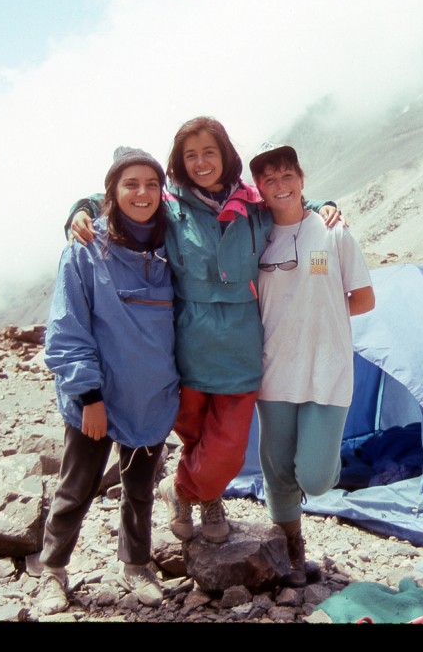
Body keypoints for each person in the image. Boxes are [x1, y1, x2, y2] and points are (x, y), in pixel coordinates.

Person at [64, 117, 342, 545]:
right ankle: (209, 502)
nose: (201, 162)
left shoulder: (254, 207)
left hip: (241, 343)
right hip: (186, 342)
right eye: (191, 155)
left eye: (209, 152)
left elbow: (290, 204)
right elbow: (121, 196)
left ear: (225, 154)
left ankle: (181, 489)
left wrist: (323, 203)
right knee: (194, 435)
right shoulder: (170, 204)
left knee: (227, 447)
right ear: (180, 161)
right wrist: (80, 208)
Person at [37, 146, 179, 615]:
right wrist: (89, 396)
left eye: (152, 184)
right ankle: (53, 571)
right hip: (98, 398)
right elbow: (67, 329)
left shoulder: (171, 243)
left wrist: (318, 203)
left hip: (151, 395)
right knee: (76, 486)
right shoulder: (84, 247)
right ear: (111, 194)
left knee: (140, 488)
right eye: (130, 184)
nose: (142, 193)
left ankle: (137, 564)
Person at [248, 142, 375, 586]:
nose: (279, 185)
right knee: (277, 469)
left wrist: (320, 316)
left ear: (302, 180)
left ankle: (313, 483)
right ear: (259, 188)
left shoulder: (333, 231)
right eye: (269, 179)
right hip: (274, 372)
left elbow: (363, 298)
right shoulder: (255, 237)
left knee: (317, 478)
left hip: (327, 369)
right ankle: (291, 550)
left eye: (287, 175)